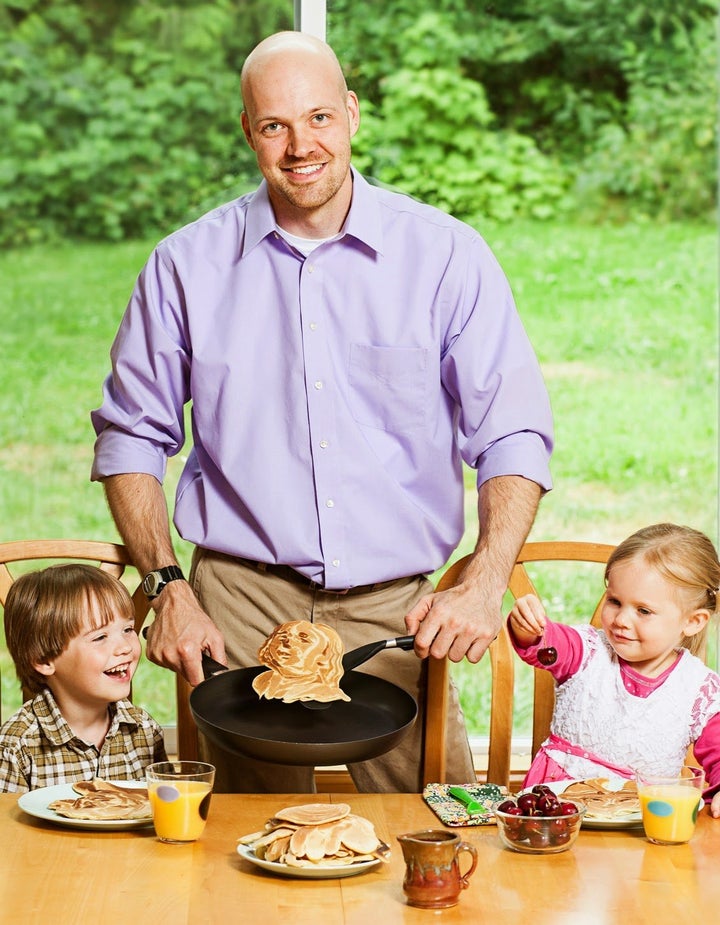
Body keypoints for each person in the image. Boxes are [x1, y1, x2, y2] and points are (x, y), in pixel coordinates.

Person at [90, 30, 553, 793]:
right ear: (248, 132)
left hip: (402, 611)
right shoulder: (184, 266)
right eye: (274, 124)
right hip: (239, 602)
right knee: (244, 850)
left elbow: (511, 433)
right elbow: (131, 436)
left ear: (352, 115)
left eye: (318, 119)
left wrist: (482, 580)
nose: (300, 144)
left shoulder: (445, 255)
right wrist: (168, 586)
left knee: (441, 825)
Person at [508, 523, 720, 815]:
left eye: (643, 611)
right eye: (614, 601)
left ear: (693, 621)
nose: (621, 619)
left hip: (641, 826)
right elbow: (550, 646)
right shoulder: (588, 650)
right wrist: (529, 630)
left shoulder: (699, 690)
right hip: (555, 816)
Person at [0, 564, 167, 793]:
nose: (125, 647)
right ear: (45, 660)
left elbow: (160, 811)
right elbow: (7, 827)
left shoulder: (146, 730)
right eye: (100, 637)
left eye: (127, 629)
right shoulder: (15, 746)